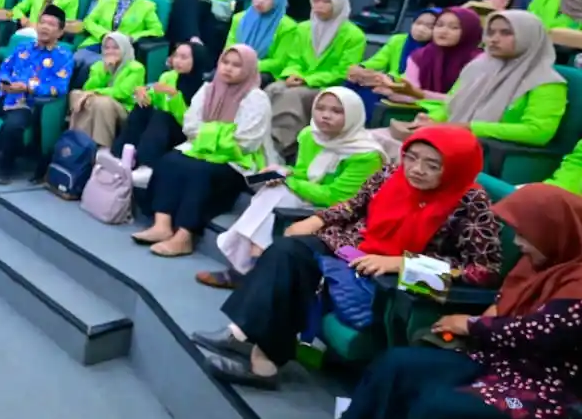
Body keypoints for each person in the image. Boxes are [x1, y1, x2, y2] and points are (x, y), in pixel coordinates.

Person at [305, 184, 582, 419]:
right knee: (400, 366)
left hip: (550, 391)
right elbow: (505, 300)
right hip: (501, 361)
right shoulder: (542, 261)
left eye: (527, 236)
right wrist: (489, 316)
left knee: (444, 408)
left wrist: (471, 323)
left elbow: (540, 332)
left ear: (555, 231)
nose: (518, 244)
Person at [192, 125, 501, 390]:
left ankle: (260, 359)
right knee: (288, 251)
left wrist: (405, 264)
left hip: (392, 279)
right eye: (412, 157)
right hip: (352, 249)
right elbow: (354, 205)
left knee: (294, 266)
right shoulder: (393, 174)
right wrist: (317, 220)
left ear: (456, 167)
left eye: (433, 165)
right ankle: (248, 339)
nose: (417, 169)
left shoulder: (471, 202)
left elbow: (482, 271)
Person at [203, 88, 385, 286]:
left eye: (336, 111)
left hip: (340, 213)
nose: (325, 115)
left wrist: (288, 180)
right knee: (275, 189)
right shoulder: (310, 135)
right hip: (310, 196)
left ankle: (249, 262)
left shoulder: (366, 154)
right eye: (320, 108)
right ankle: (256, 256)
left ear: (353, 115)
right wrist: (283, 171)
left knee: (279, 191)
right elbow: (305, 172)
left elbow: (337, 197)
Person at [132, 45, 270, 256]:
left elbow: (246, 140)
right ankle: (162, 224)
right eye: (225, 63)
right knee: (170, 161)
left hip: (235, 160)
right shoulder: (208, 88)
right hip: (200, 149)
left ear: (249, 69)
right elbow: (190, 125)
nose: (228, 69)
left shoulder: (256, 98)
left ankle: (184, 236)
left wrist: (207, 135)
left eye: (236, 65)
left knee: (201, 172)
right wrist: (219, 133)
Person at [385, 10, 566, 149]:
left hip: (484, 149)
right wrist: (433, 119)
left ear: (529, 37)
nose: (494, 39)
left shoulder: (546, 81)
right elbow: (453, 105)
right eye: (491, 32)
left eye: (506, 33)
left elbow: (538, 132)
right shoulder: (477, 67)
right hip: (449, 139)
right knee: (376, 144)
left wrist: (470, 128)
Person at [0, 6, 74, 185]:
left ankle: (5, 167)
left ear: (60, 31)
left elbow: (60, 87)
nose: (45, 27)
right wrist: (4, 82)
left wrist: (27, 88)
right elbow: (4, 69)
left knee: (12, 126)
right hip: (3, 96)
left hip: (28, 103)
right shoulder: (23, 47)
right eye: (42, 22)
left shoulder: (64, 55)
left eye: (51, 24)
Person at [266, 0, 365, 160]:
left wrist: (307, 80)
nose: (319, 5)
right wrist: (292, 74)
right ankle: (262, 139)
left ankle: (280, 145)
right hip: (300, 79)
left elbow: (342, 71)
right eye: (316, 0)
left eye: (326, 1)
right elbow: (293, 58)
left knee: (292, 96)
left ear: (339, 3)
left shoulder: (354, 35)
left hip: (328, 86)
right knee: (273, 89)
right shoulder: (303, 28)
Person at [114, 41, 209, 171]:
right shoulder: (168, 76)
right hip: (160, 130)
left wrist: (174, 96)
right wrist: (143, 94)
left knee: (162, 116)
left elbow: (189, 121)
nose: (177, 61)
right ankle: (122, 153)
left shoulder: (204, 88)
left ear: (197, 60)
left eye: (184, 57)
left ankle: (146, 163)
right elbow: (155, 96)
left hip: (183, 132)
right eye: (176, 56)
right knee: (142, 108)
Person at [64, 32, 145, 149]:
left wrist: (93, 93)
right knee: (76, 94)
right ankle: (77, 142)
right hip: (97, 103)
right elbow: (88, 87)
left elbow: (122, 93)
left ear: (124, 48)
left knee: (102, 102)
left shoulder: (136, 68)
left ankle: (102, 146)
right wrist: (106, 71)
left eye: (115, 48)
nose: (110, 51)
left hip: (124, 109)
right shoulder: (98, 66)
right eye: (106, 48)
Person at [227, 0, 295, 81]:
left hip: (266, 72)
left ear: (278, 0)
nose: (260, 1)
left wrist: (249, 65)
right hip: (236, 65)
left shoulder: (288, 26)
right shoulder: (239, 18)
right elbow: (229, 47)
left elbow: (280, 62)